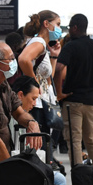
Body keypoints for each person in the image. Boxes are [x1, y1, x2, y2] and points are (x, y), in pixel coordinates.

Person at [0, 41, 42, 182]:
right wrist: (12, 170)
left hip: (2, 160)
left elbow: (18, 112)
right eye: (11, 58)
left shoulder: (2, 82)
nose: (14, 62)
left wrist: (31, 122)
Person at [53, 14, 93, 169]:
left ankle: (78, 177)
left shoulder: (71, 46)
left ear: (75, 27)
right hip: (92, 102)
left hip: (72, 101)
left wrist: (59, 92)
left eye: (69, 27)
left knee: (74, 140)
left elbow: (58, 68)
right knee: (91, 140)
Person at [12, 75, 67, 185]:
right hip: (16, 169)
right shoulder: (12, 118)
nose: (34, 103)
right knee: (59, 180)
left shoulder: (26, 119)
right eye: (33, 98)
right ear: (20, 95)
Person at [18, 10, 63, 138]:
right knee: (39, 144)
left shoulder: (41, 44)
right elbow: (23, 59)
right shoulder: (39, 42)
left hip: (41, 102)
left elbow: (48, 79)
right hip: (36, 103)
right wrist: (35, 86)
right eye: (58, 24)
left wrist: (54, 56)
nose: (59, 29)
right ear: (46, 24)